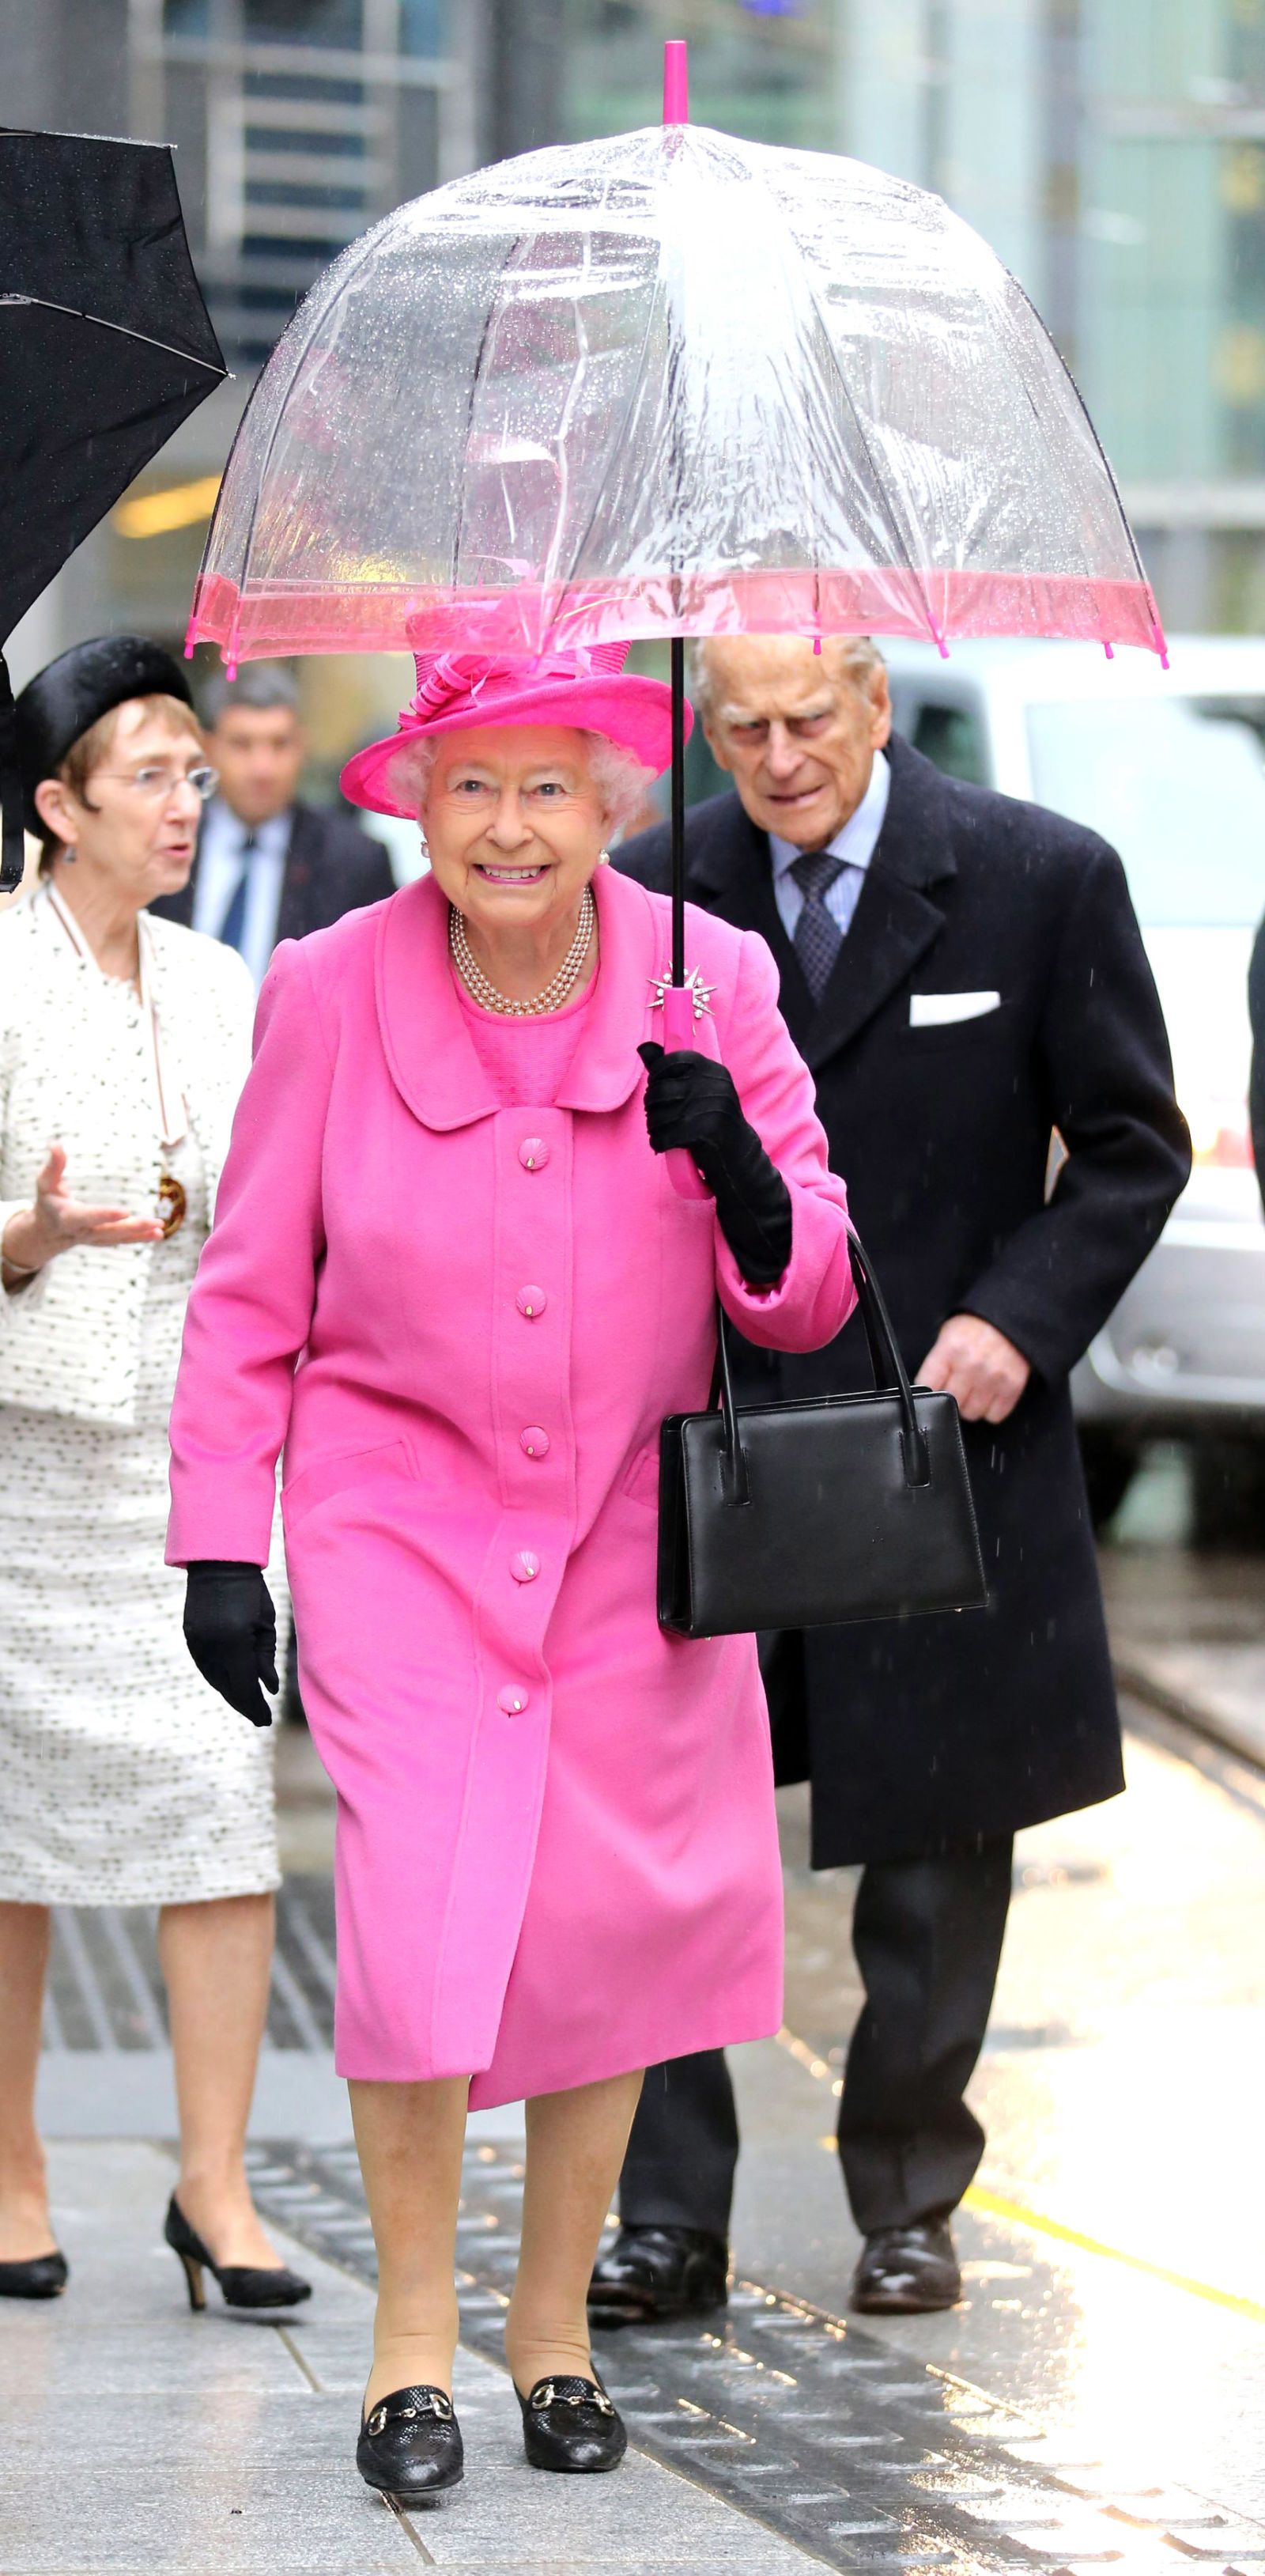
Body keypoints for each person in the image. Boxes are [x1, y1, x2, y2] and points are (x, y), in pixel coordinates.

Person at [164, 643, 857, 2502]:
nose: (508, 826)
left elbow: (809, 1292)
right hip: (401, 1518)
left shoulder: (713, 972)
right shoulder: (327, 988)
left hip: (637, 1530)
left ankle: (547, 2328)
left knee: (602, 1930)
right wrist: (223, 1541)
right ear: (412, 801)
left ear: (613, 800)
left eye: (548, 785)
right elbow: (246, 1295)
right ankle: (410, 2340)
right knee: (415, 1921)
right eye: (469, 787)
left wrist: (741, 1168)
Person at [593, 632, 1191, 2325]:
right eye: (740, 728)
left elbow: (1133, 1142)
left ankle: (910, 2187)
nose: (777, 758)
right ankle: (662, 2210)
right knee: (667, 1830)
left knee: (939, 1834)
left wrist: (1021, 1317)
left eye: (807, 721)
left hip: (949, 1417)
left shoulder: (1036, 875)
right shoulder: (651, 888)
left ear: (871, 697)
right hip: (720, 1426)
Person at [0, 635, 308, 2316]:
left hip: (194, 1457)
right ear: (58, 805)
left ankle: (218, 2183)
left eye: (196, 770)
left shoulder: (219, 981)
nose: (187, 799)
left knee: (217, 1801)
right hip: (18, 1461)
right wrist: (27, 1235)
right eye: (150, 775)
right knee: (9, 1829)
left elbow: (262, 1225)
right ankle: (11, 2169)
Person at [149, 661, 396, 984]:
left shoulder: (352, 861)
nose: (263, 768)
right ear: (207, 749)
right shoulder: (161, 842)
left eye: (280, 744)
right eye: (242, 744)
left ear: (302, 747)